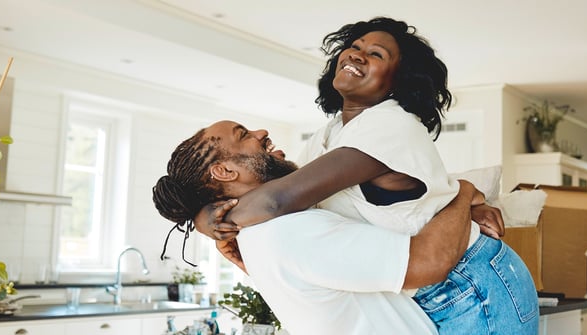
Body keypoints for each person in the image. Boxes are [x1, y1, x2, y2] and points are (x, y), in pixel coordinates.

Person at [194, 17, 538, 335]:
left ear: (398, 82)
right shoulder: (329, 136)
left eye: (376, 54)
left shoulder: (391, 125)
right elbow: (289, 208)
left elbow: (275, 200)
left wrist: (207, 218)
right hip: (426, 287)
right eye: (355, 47)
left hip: (470, 285)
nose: (357, 56)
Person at [153, 120, 486, 335]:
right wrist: (465, 192)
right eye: (243, 136)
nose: (261, 131)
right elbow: (428, 263)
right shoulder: (291, 231)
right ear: (225, 172)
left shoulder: (259, 233)